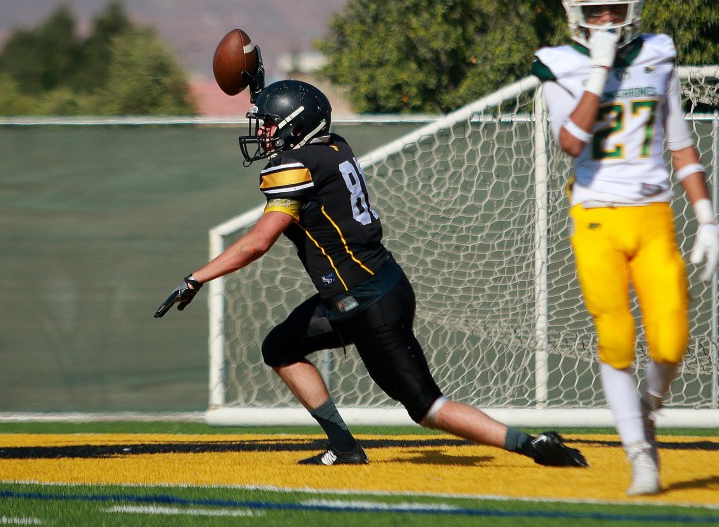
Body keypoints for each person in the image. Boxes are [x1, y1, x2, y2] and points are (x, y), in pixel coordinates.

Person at [155, 78, 587, 469]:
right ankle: (343, 447)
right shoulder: (333, 147)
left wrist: (197, 277)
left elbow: (257, 242)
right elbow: (298, 146)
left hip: (366, 302)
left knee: (428, 409)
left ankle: (531, 445)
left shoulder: (295, 169)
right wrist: (259, 87)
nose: (263, 133)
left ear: (293, 125)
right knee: (280, 348)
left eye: (270, 123)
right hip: (366, 290)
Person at [531, 0, 719, 495]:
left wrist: (706, 218)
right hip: (595, 218)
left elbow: (680, 143)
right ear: (576, 15)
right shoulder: (558, 64)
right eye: (595, 12)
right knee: (616, 340)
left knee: (671, 340)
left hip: (653, 214)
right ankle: (640, 455)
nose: (606, 21)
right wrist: (598, 68)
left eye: (615, 9)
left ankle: (646, 412)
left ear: (632, 8)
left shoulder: (658, 55)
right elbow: (571, 142)